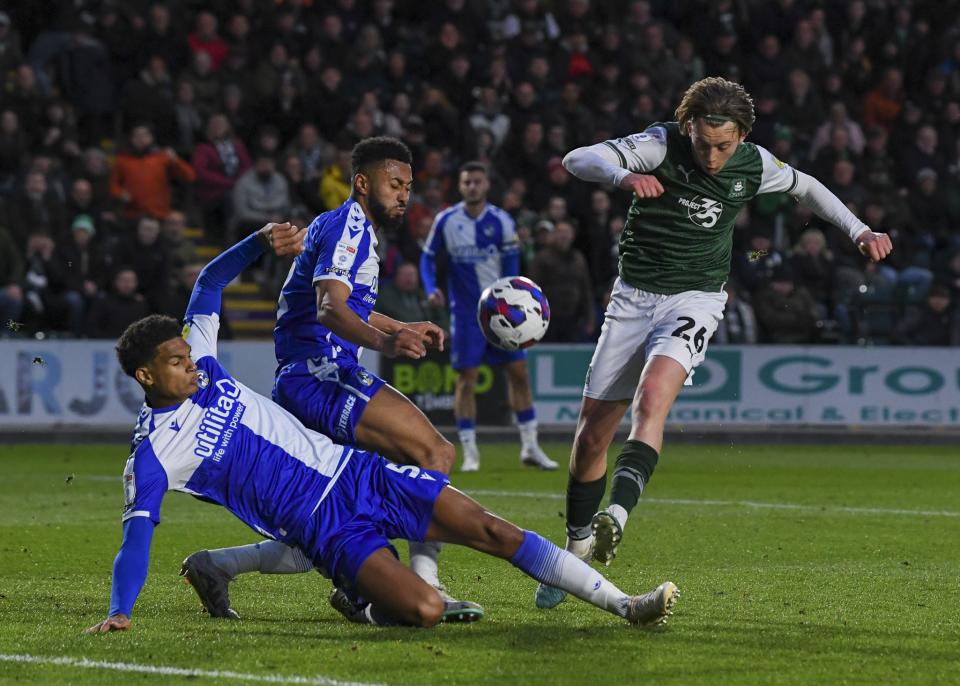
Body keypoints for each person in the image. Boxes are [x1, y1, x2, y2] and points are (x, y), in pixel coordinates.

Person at [85, 223, 679, 633]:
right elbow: (136, 539)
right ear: (145, 375)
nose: (190, 365)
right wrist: (119, 609)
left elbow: (209, 283)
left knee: (491, 529)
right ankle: (376, 606)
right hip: (323, 528)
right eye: (175, 362)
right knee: (422, 612)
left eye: (187, 356)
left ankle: (626, 605)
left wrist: (261, 242)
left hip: (358, 474)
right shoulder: (154, 455)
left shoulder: (205, 365)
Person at [536, 76, 893, 609]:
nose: (712, 155)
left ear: (743, 137)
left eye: (723, 146)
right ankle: (576, 547)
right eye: (703, 143)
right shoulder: (659, 145)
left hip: (696, 298)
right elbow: (575, 158)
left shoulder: (755, 163)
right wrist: (622, 177)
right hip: (633, 298)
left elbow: (808, 188)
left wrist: (859, 230)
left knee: (654, 398)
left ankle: (619, 513)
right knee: (590, 436)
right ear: (688, 127)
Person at [197, 137, 475, 620]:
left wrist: (399, 326)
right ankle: (425, 584)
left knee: (324, 517)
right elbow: (329, 310)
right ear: (363, 182)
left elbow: (349, 304)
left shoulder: (341, 225)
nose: (404, 195)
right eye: (395, 184)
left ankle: (218, 566)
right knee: (434, 453)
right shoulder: (350, 226)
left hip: (306, 377)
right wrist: (387, 343)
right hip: (320, 374)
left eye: (409, 186)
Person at [420, 161, 558, 472]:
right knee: (466, 381)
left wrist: (512, 303)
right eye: (467, 182)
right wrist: (431, 287)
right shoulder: (447, 220)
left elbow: (511, 266)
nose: (472, 187)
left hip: (503, 314)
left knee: (519, 374)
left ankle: (531, 446)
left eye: (477, 182)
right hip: (467, 316)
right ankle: (470, 452)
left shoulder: (501, 221)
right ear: (460, 185)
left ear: (485, 185)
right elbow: (428, 259)